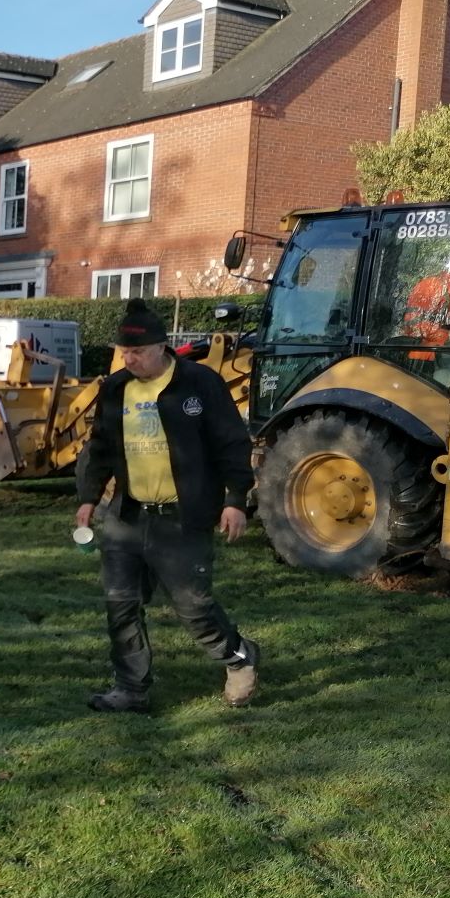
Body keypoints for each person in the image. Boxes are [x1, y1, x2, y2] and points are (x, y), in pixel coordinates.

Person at [75, 299, 260, 712]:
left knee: (193, 607)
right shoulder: (116, 388)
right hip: (127, 517)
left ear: (161, 347)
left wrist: (234, 501)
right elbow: (100, 447)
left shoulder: (199, 383)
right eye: (124, 352)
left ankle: (238, 658)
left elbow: (232, 443)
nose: (129, 359)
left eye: (137, 352)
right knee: (120, 604)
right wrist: (88, 498)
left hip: (182, 520)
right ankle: (130, 689)